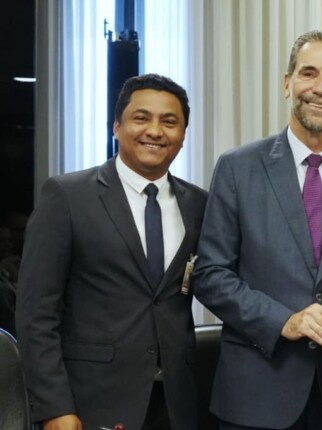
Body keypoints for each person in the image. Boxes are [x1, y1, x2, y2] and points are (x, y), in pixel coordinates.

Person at [191, 30, 322, 430]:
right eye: (308, 74)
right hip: (256, 396)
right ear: (288, 83)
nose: (320, 88)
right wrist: (285, 320)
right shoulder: (238, 169)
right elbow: (210, 275)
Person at [15, 74, 208, 430]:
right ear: (116, 126)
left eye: (170, 122)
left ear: (182, 136)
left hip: (176, 403)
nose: (155, 130)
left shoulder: (199, 204)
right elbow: (35, 313)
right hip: (91, 403)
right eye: (141, 118)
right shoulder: (67, 196)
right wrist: (54, 407)